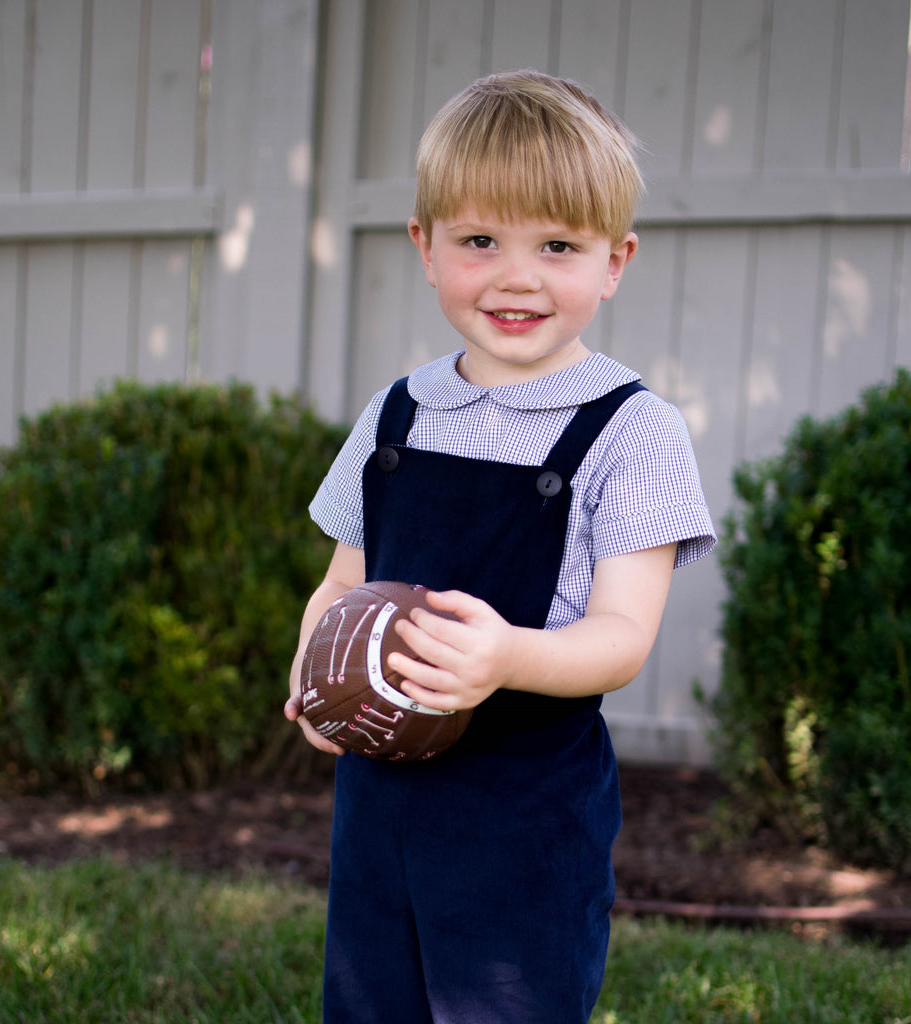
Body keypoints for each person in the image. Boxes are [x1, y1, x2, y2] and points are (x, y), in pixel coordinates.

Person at [285, 68, 716, 1024]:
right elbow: (339, 582)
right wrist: (316, 679)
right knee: (369, 998)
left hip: (525, 816)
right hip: (382, 803)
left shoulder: (631, 430)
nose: (517, 276)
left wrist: (507, 655)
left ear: (614, 261)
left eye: (558, 245)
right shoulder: (396, 411)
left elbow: (622, 635)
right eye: (480, 240)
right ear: (426, 249)